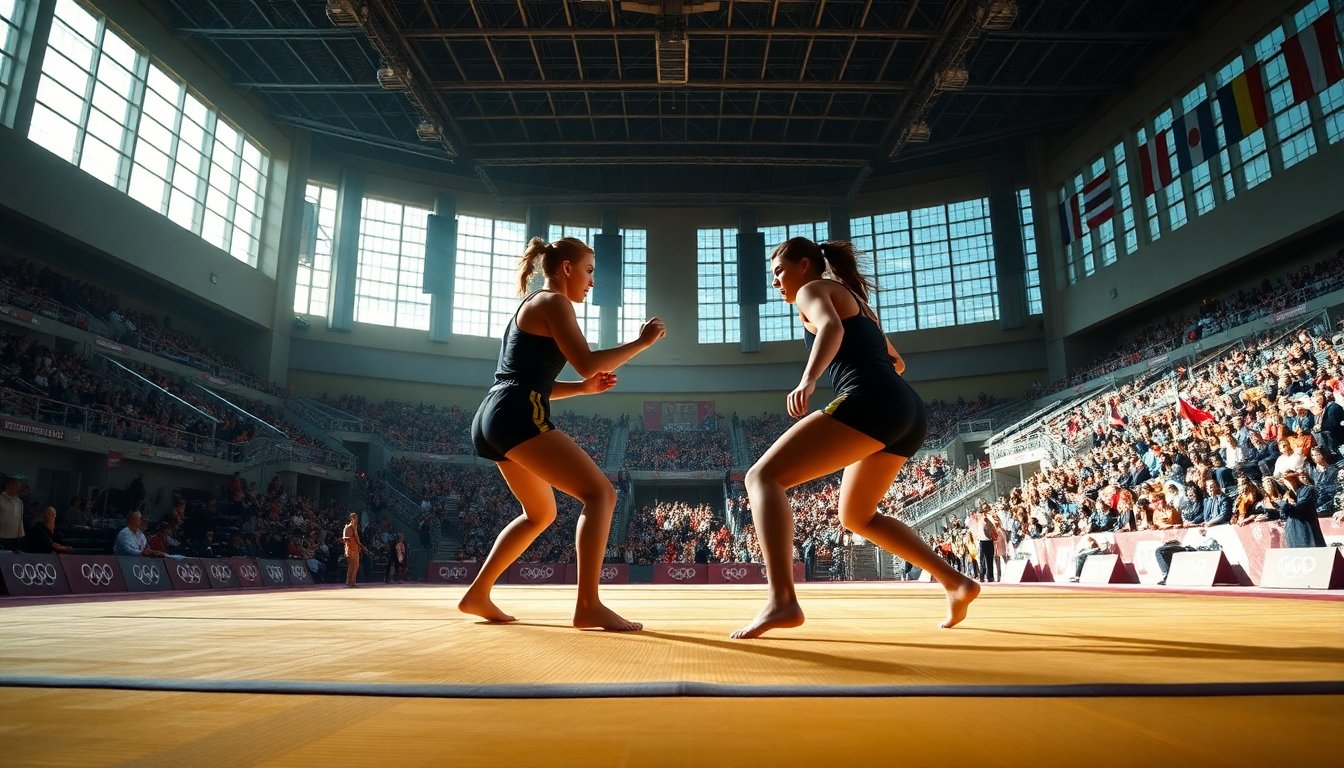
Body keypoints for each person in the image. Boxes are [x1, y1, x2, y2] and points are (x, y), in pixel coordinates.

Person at [731, 237, 979, 639]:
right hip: (907, 410)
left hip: (872, 401)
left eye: (779, 271)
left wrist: (809, 379)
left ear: (805, 265)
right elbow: (897, 361)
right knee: (856, 516)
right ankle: (956, 582)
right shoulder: (857, 302)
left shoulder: (812, 290)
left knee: (761, 477)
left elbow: (830, 327)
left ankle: (782, 601)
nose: (775, 281)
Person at [460, 236, 665, 631]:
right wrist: (641, 343)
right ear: (567, 269)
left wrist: (582, 389)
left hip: (494, 413)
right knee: (601, 494)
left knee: (540, 514)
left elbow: (532, 381)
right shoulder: (555, 302)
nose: (592, 281)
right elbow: (587, 362)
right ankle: (588, 604)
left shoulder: (533, 304)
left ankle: (478, 593)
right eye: (588, 271)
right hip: (517, 413)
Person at [0, 474, 25, 551]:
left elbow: (20, 520)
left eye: (19, 487)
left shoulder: (19, 502)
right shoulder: (0, 500)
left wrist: (20, 537)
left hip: (16, 539)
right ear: (8, 486)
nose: (18, 489)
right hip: (2, 537)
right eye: (16, 486)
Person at [342, 512, 363, 587]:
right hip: (350, 549)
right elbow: (344, 538)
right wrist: (349, 539)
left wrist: (359, 546)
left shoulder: (355, 527)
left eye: (357, 518)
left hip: (356, 548)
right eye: (356, 518)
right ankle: (349, 582)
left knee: (356, 565)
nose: (357, 520)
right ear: (352, 518)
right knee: (351, 565)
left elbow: (357, 538)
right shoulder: (347, 527)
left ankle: (352, 581)